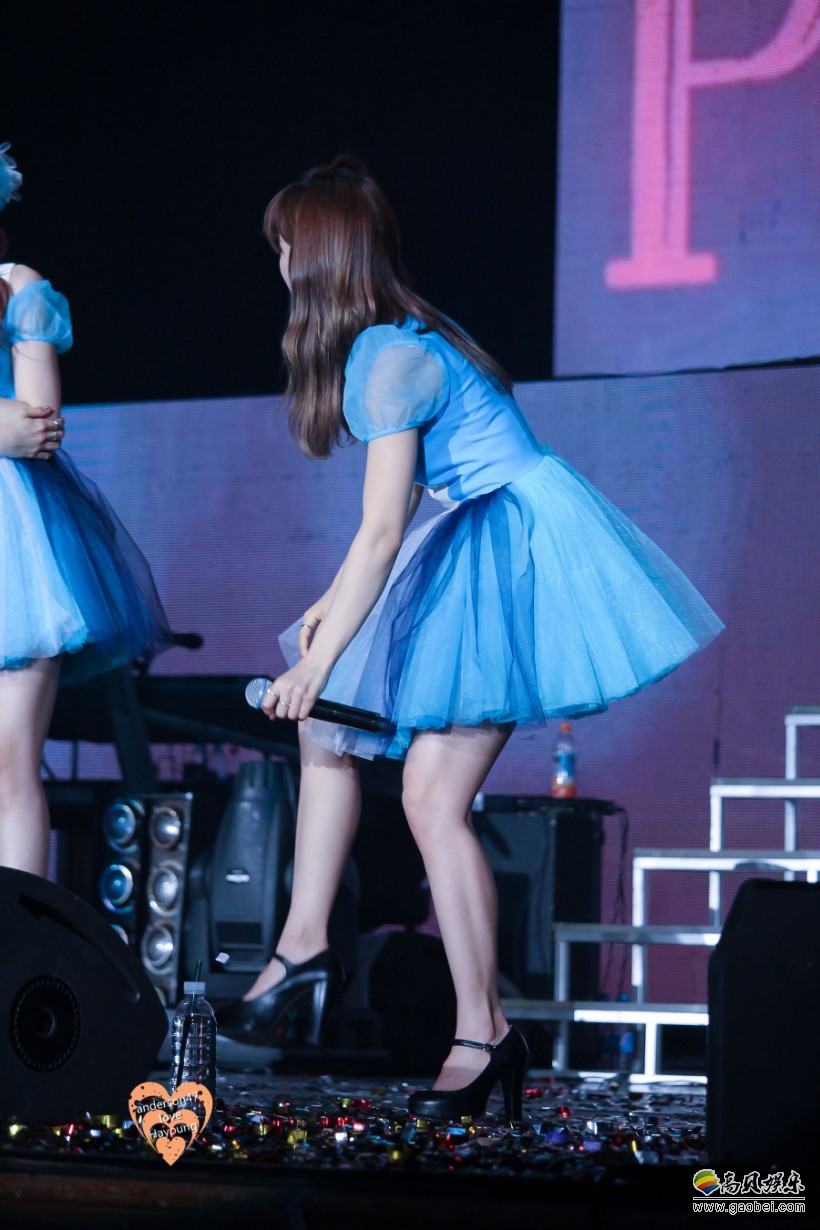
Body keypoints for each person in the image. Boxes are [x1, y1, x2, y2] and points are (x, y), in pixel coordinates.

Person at [219, 155, 724, 1120]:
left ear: (313, 257)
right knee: (334, 734)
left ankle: (475, 1027)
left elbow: (382, 530)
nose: (277, 262)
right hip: (475, 538)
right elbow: (396, 513)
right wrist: (328, 609)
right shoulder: (402, 339)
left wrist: (319, 661)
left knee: (426, 794)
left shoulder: (385, 355)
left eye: (284, 246)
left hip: (502, 551)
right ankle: (309, 944)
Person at [0, 143, 173, 877]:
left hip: (14, 544)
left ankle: (14, 934)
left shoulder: (16, 283)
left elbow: (37, 424)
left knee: (7, 762)